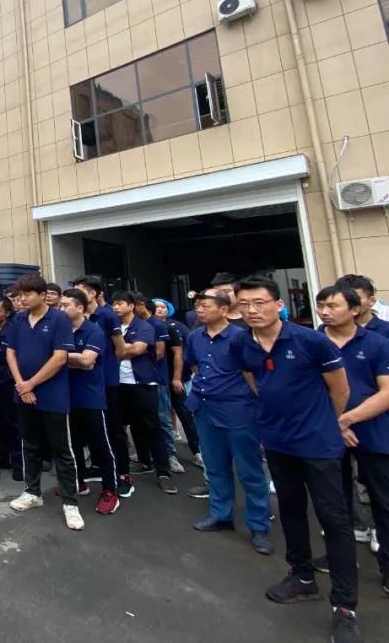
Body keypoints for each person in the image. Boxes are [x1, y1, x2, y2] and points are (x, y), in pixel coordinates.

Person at [236, 276, 359, 643]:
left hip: (318, 444)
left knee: (334, 519)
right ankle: (302, 576)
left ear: (278, 305)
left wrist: (327, 423)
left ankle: (345, 606)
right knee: (290, 509)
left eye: (259, 302)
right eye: (245, 304)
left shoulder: (310, 341)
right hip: (276, 441)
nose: (252, 310)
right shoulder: (243, 343)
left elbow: (340, 388)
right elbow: (253, 379)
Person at [185, 289, 273, 555]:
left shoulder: (242, 337)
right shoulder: (195, 337)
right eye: (198, 306)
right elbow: (195, 367)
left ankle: (259, 526)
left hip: (238, 410)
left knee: (250, 471)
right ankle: (220, 514)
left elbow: (254, 374)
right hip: (204, 408)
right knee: (215, 466)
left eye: (206, 306)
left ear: (224, 310)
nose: (200, 310)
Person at [314, 285, 389, 595]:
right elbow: (309, 391)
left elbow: (386, 392)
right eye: (321, 305)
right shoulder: (313, 343)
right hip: (327, 435)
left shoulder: (377, 344)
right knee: (335, 503)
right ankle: (341, 560)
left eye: (332, 306)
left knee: (383, 501)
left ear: (355, 309)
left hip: (374, 433)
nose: (325, 312)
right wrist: (336, 424)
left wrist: (346, 420)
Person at [5, 275, 84, 531]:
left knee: (62, 449)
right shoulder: (18, 319)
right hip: (23, 393)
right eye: (20, 294)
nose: (22, 298)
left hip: (52, 395)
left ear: (42, 295)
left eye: (27, 294)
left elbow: (60, 358)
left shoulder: (59, 319)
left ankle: (70, 502)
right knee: (30, 445)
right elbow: (10, 352)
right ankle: (32, 491)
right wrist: (21, 384)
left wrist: (31, 383)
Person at [62, 288, 120, 515]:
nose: (61, 309)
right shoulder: (62, 331)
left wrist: (60, 357)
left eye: (66, 305)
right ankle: (79, 482)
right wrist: (74, 359)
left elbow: (87, 361)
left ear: (80, 308)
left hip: (91, 398)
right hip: (67, 397)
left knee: (101, 446)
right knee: (73, 445)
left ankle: (110, 490)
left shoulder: (94, 331)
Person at [112, 290, 177, 494]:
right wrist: (122, 349)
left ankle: (163, 471)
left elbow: (136, 350)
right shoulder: (114, 327)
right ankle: (140, 463)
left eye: (120, 303)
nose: (116, 307)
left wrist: (118, 350)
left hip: (143, 382)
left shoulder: (144, 326)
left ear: (132, 305)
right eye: (114, 304)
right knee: (123, 427)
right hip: (119, 383)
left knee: (151, 426)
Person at [74, 275, 131, 497]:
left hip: (107, 381)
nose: (77, 294)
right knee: (89, 431)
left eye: (81, 290)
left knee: (113, 429)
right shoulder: (74, 317)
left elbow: (121, 350)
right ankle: (93, 470)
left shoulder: (107, 316)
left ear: (94, 293)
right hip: (83, 383)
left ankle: (122, 474)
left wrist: (104, 366)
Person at [154, 297, 201, 473]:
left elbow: (182, 353)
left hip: (177, 377)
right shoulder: (147, 326)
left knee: (185, 414)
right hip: (158, 379)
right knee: (163, 417)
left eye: (163, 307)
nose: (160, 309)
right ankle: (169, 454)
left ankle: (197, 450)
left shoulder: (176, 327)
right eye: (156, 307)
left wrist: (177, 377)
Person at [0, 296, 22, 478]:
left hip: (8, 383)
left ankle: (19, 463)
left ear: (7, 313)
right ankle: (3, 457)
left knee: (13, 424)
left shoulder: (13, 331)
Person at [336, 274, 389, 338]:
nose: (349, 303)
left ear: (372, 301)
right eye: (344, 299)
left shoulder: (386, 330)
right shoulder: (330, 331)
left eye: (355, 298)